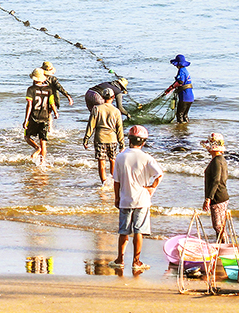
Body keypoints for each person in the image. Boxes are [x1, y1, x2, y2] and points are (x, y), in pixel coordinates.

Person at [112, 125, 163, 271]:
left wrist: (117, 198)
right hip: (142, 199)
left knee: (124, 231)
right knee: (138, 231)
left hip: (125, 199)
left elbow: (117, 181)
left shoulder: (120, 157)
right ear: (143, 142)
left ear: (129, 140)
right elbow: (159, 174)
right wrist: (152, 187)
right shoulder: (146, 158)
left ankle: (120, 259)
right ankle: (136, 261)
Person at [83, 88, 125, 184]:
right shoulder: (116, 111)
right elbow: (119, 129)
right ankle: (114, 182)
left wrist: (86, 138)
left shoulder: (96, 109)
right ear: (113, 97)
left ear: (102, 97)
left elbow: (91, 125)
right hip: (112, 139)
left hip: (100, 139)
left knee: (101, 162)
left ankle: (104, 183)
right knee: (112, 160)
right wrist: (122, 143)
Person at [23, 67, 56, 166]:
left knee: (27, 136)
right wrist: (56, 112)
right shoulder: (49, 90)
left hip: (34, 117)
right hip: (45, 117)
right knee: (44, 142)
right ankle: (42, 163)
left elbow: (29, 105)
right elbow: (51, 103)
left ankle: (37, 148)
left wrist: (26, 120)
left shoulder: (31, 89)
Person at [201, 132, 229, 242]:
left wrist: (208, 198)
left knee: (218, 226)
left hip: (218, 197)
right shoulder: (220, 160)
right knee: (220, 226)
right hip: (221, 195)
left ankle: (224, 248)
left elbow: (216, 181)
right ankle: (222, 247)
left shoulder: (217, 161)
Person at [42, 61, 74, 130]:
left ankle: (46, 128)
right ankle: (49, 129)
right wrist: (68, 96)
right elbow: (60, 88)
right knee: (49, 114)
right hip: (51, 98)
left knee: (45, 113)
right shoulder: (53, 79)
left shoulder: (39, 79)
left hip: (41, 98)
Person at [163, 54, 194, 123]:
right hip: (190, 97)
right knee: (184, 115)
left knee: (179, 114)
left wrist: (171, 88)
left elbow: (180, 82)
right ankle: (185, 127)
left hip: (184, 96)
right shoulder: (185, 70)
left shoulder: (181, 71)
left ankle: (181, 130)